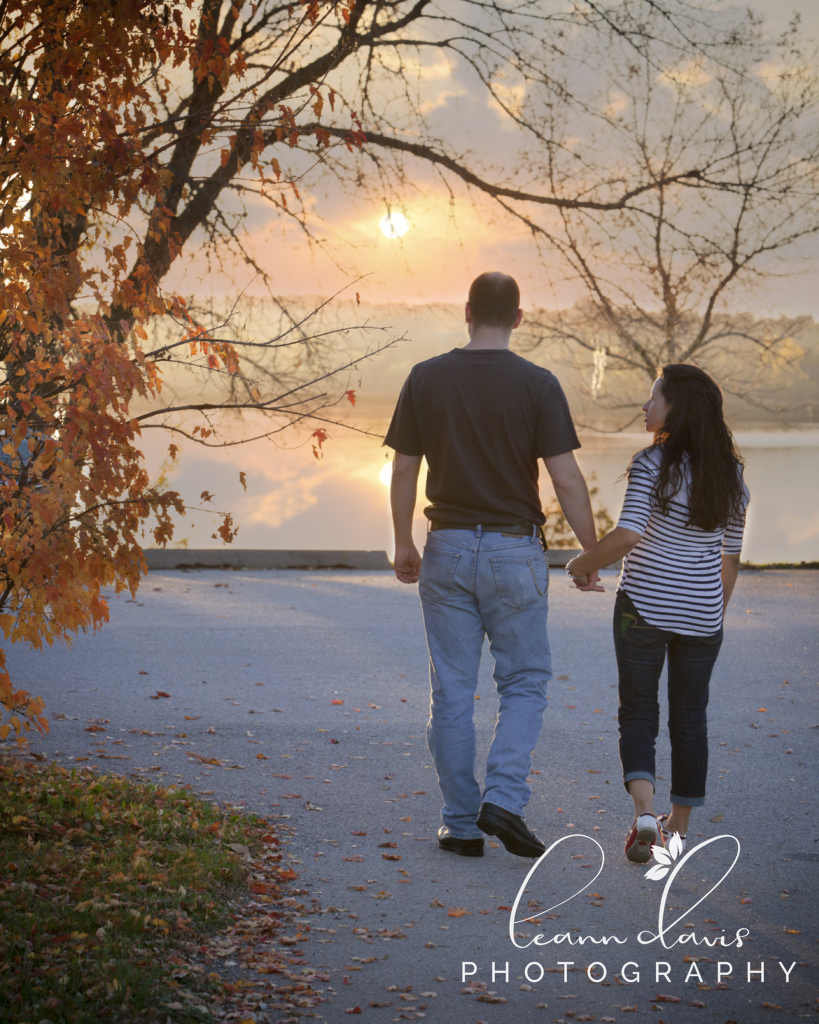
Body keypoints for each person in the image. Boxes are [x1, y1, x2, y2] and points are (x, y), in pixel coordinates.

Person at [385, 271, 600, 859]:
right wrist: (592, 553)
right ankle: (503, 797)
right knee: (524, 682)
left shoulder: (425, 377)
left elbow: (404, 469)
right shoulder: (538, 383)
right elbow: (566, 480)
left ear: (467, 311)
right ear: (520, 318)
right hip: (514, 549)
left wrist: (404, 540)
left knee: (452, 691)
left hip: (447, 546)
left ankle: (460, 825)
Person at [564, 364, 749, 863]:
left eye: (654, 399)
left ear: (678, 408)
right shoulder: (732, 477)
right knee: (690, 717)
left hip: (642, 609)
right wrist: (710, 613)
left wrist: (580, 563)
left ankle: (645, 815)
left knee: (639, 710)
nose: (645, 407)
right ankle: (679, 828)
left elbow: (627, 536)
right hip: (703, 614)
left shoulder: (653, 464)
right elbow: (729, 560)